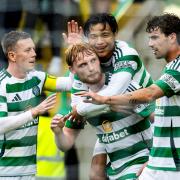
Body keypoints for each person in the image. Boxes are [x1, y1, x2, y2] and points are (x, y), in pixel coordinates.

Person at [77, 13, 180, 180]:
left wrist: (105, 99)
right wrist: (153, 161)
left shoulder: (178, 67)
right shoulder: (170, 68)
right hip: (159, 162)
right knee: (95, 173)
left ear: (172, 37)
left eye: (154, 38)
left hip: (172, 163)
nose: (150, 44)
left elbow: (150, 94)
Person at [51, 43, 154, 180]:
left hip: (142, 162)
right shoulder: (80, 101)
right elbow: (65, 144)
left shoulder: (124, 87)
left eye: (93, 60)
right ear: (72, 70)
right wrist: (58, 131)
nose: (91, 68)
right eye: (83, 65)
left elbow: (160, 121)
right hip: (115, 170)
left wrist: (155, 161)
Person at [0, 30, 72, 179]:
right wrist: (33, 112)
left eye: (33, 48)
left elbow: (70, 84)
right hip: (5, 172)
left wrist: (73, 53)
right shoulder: (2, 84)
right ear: (12, 56)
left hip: (30, 171)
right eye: (27, 50)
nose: (34, 54)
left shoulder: (37, 78)